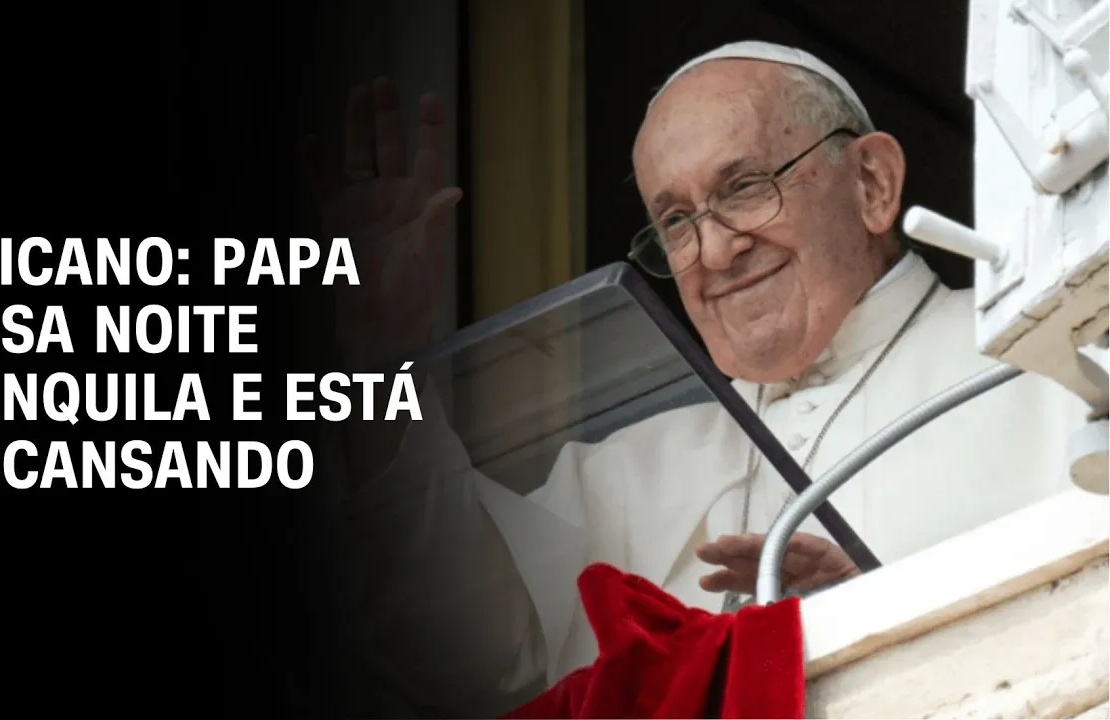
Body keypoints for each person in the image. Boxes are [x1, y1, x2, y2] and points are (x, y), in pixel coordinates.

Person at [300, 41, 1092, 714]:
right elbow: (458, 657)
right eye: (676, 221)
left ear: (872, 184)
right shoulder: (626, 471)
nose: (714, 252)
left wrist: (885, 610)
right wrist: (376, 354)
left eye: (744, 188)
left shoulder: (1053, 363)